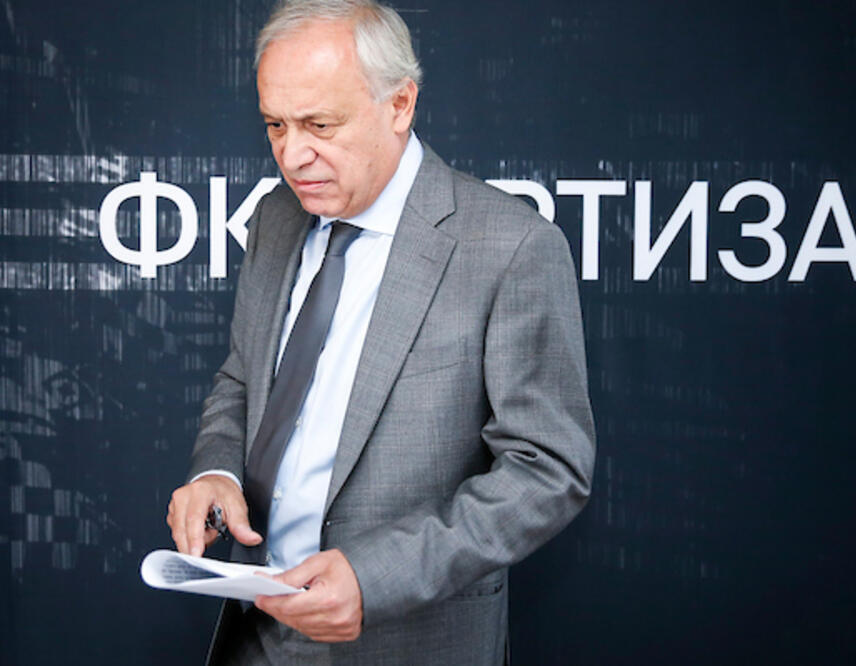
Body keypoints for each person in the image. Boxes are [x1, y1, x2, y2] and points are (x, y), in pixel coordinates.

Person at [165, 1, 596, 663]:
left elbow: (547, 470)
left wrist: (373, 579)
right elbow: (244, 379)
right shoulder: (277, 218)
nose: (292, 155)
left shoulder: (511, 247)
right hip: (254, 630)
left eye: (320, 124)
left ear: (400, 105)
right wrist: (217, 471)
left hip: (407, 639)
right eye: (275, 125)